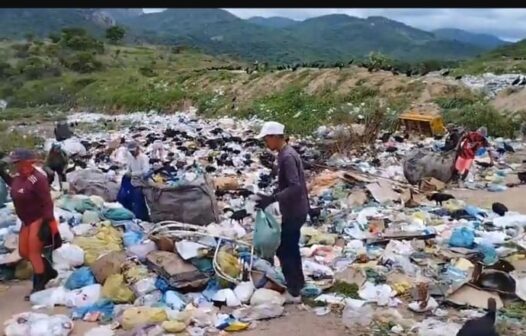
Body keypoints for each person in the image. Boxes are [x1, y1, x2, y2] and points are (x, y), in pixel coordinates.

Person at [255, 121, 309, 304]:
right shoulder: (285, 154)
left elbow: (295, 186)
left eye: (266, 139)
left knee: (285, 249)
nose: (265, 144)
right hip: (295, 208)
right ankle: (298, 285)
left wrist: (273, 198)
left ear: (275, 137)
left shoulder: (287, 156)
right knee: (290, 248)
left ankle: (294, 291)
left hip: (295, 210)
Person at [0, 149, 61, 299]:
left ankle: (39, 285)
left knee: (33, 252)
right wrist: (2, 173)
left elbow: (47, 202)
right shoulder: (20, 177)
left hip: (38, 218)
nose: (14, 165)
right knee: (23, 251)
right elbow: (15, 185)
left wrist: (47, 222)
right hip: (26, 219)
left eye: (17, 162)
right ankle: (48, 271)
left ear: (27, 162)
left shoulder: (38, 179)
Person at [117, 141, 150, 221]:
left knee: (138, 201)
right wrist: (127, 173)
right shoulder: (130, 158)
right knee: (124, 197)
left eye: (133, 151)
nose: (132, 153)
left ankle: (141, 217)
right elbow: (129, 168)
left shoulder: (143, 158)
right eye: (131, 151)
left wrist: (133, 174)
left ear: (138, 149)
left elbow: (145, 171)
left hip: (142, 183)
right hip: (133, 182)